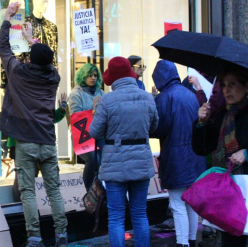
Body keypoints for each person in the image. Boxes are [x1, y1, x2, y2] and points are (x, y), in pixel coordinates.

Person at [0, 2, 68, 247]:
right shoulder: (54, 78)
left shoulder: (18, 73)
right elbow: (44, 57)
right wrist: (32, 40)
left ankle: (34, 236)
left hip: (26, 142)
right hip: (48, 141)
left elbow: (3, 48)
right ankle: (61, 234)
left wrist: (8, 18)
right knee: (54, 191)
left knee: (28, 192)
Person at [89, 56, 158, 247]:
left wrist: (95, 111)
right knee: (139, 213)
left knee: (116, 217)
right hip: (141, 161)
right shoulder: (147, 97)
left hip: (115, 163)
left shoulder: (107, 101)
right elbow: (154, 127)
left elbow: (94, 132)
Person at [151, 60, 206, 247]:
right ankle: (190, 240)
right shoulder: (189, 94)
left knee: (177, 203)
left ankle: (182, 243)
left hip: (175, 158)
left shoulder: (164, 98)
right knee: (190, 202)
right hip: (195, 155)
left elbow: (159, 128)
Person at [192, 66, 248, 247]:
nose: (227, 90)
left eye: (232, 84)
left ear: (246, 87)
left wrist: (246, 153)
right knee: (231, 238)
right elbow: (202, 148)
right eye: (224, 85)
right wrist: (201, 123)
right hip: (229, 192)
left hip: (246, 188)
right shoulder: (223, 115)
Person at [68, 63, 104, 192]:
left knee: (104, 160)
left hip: (99, 132)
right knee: (94, 160)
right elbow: (75, 115)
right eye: (89, 75)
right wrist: (94, 112)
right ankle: (87, 190)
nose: (93, 78)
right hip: (82, 133)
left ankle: (98, 190)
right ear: (83, 76)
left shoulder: (100, 92)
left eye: (95, 75)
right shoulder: (76, 93)